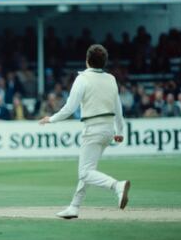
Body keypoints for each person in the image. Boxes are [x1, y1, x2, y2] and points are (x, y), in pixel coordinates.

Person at [39, 44, 130, 219]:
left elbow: (69, 108)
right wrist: (120, 131)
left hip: (93, 129)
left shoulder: (82, 78)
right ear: (104, 62)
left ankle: (117, 186)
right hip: (108, 129)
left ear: (87, 60)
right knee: (89, 169)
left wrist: (50, 119)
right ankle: (74, 206)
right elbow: (118, 108)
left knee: (85, 172)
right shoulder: (111, 78)